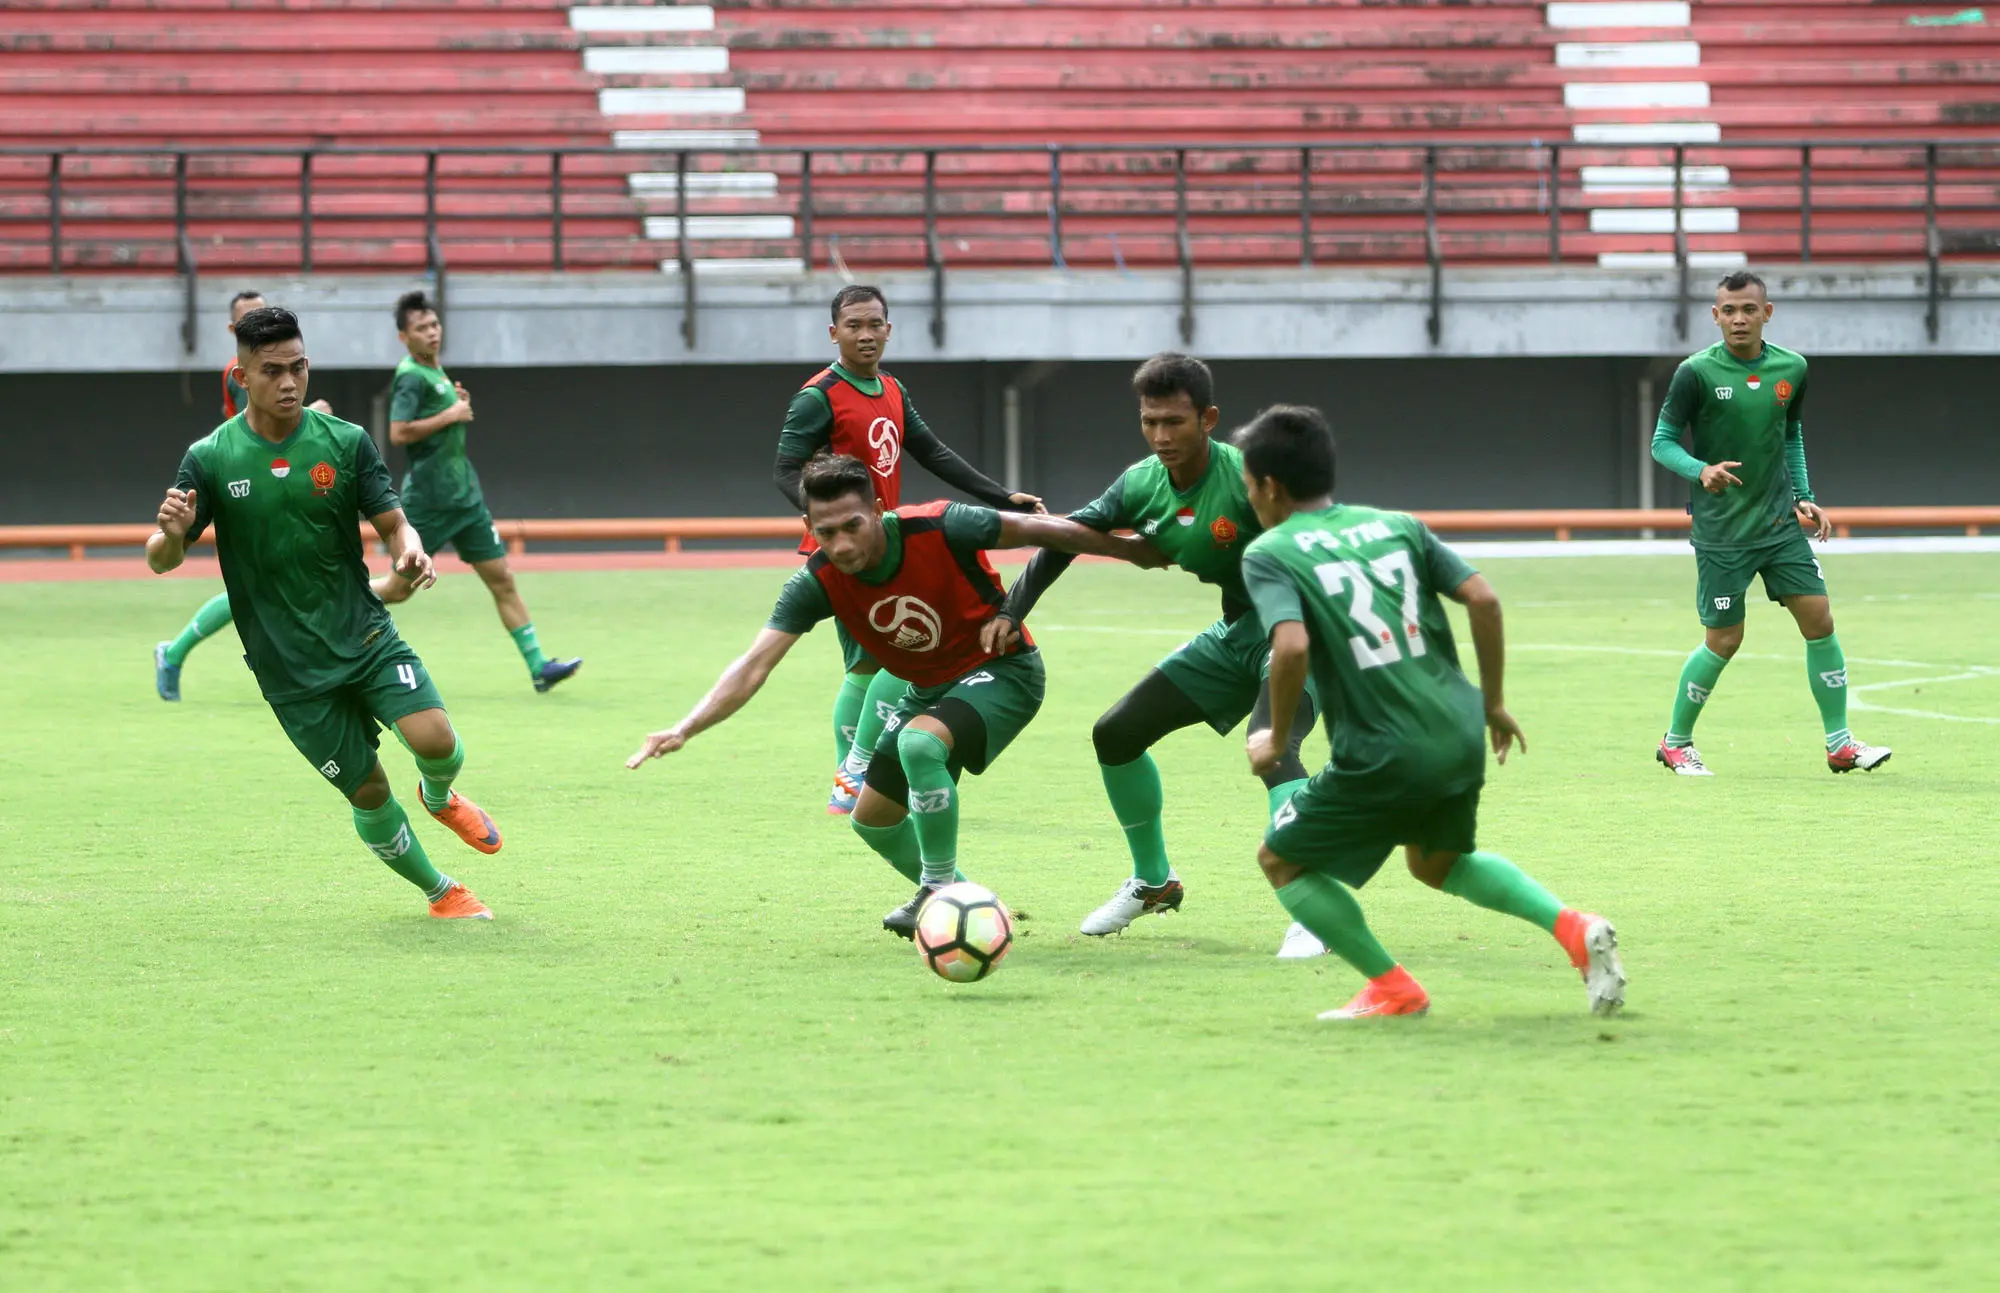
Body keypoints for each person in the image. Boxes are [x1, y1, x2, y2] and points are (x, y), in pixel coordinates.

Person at [630, 453, 1164, 936]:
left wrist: (1129, 552)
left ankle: (936, 893)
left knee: (919, 744)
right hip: (928, 688)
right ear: (807, 527)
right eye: (825, 532)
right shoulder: (815, 581)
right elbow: (753, 666)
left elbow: (1042, 529)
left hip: (1005, 672)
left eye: (851, 527)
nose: (840, 545)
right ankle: (968, 903)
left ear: (879, 509)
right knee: (873, 821)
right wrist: (685, 726)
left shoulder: (939, 525)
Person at [1233, 405, 1625, 1020]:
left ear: (1269, 486)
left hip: (1384, 746)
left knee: (1280, 860)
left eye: (1249, 486)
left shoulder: (1271, 551)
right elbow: (1484, 598)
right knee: (1436, 862)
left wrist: (1274, 738)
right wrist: (1493, 703)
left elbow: (1291, 644)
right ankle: (1575, 929)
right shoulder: (1398, 525)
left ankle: (1392, 988)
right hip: (1459, 725)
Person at [146, 307, 500, 919]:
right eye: (273, 370)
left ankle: (440, 796)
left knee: (437, 741)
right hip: (289, 667)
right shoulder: (211, 457)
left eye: (299, 367)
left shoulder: (345, 442)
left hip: (363, 634)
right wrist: (172, 535)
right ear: (242, 376)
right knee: (368, 789)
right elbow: (161, 560)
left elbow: (393, 521)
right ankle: (441, 892)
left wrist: (409, 549)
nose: (289, 382)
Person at [993, 353, 1326, 957]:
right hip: (1235, 634)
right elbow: (1063, 538)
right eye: (1150, 422)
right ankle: (1153, 883)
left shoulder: (1253, 478)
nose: (1161, 436)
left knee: (1274, 750)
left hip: (1300, 631)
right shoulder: (1140, 482)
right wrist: (1011, 611)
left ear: (1209, 419)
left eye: (1175, 421)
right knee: (1116, 734)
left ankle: (1315, 906)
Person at [773, 285, 1044, 815]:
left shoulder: (893, 389)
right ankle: (850, 777)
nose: (866, 334)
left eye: (874, 323)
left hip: (886, 549)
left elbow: (933, 452)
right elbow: (785, 469)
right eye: (853, 326)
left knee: (891, 660)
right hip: (846, 556)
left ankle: (862, 776)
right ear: (835, 334)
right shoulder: (818, 396)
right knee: (871, 668)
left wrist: (1002, 495)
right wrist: (831, 526)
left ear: (889, 329)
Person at [1651, 271, 1889, 776]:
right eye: (1729, 311)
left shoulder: (1792, 368)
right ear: (1715, 316)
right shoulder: (1694, 373)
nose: (1739, 319)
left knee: (1820, 620)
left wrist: (1805, 496)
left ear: (1767, 313)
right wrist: (1701, 470)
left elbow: (1791, 436)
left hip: (1780, 524)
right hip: (1722, 532)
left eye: (1749, 310)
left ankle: (1840, 743)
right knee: (1725, 641)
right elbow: (1663, 441)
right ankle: (1676, 742)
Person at [370, 290, 582, 694]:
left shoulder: (435, 371)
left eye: (434, 324)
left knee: (502, 578)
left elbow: (437, 421)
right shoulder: (410, 377)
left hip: (465, 499)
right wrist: (451, 413)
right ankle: (340, 597)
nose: (432, 333)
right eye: (420, 328)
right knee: (398, 590)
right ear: (404, 337)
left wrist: (453, 406)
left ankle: (540, 667)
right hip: (429, 503)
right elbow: (397, 433)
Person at [154, 289, 331, 700]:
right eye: (250, 319)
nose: (262, 324)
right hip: (250, 488)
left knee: (271, 584)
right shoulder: (244, 372)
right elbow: (259, 421)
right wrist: (314, 415)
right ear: (235, 330)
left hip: (277, 480)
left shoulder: (264, 369)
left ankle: (178, 653)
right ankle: (178, 652)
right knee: (260, 586)